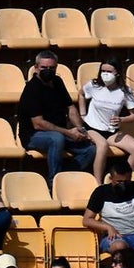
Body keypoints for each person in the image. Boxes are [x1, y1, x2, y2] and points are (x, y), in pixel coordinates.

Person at [17, 50, 95, 183]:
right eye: (44, 68)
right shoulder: (32, 89)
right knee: (56, 139)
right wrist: (69, 133)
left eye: (51, 68)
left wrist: (80, 129)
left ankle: (65, 177)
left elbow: (70, 108)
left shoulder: (57, 82)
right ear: (36, 68)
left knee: (90, 149)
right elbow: (38, 123)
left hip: (60, 131)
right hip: (33, 135)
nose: (48, 71)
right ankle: (54, 180)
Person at [83, 159, 134, 268]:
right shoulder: (101, 192)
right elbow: (87, 220)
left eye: (126, 181)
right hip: (115, 237)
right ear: (111, 178)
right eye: (119, 181)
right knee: (120, 247)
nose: (123, 184)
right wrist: (108, 227)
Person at [79, 60, 134, 183]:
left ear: (117, 73)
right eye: (103, 71)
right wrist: (83, 114)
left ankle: (123, 179)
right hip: (91, 127)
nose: (105, 74)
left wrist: (121, 119)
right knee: (102, 146)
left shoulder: (125, 91)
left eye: (109, 71)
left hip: (111, 131)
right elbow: (81, 94)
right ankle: (98, 183)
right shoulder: (94, 85)